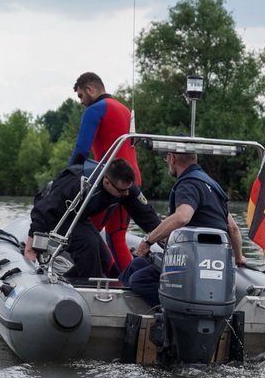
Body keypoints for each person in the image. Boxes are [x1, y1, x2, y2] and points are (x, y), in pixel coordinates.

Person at [122, 150, 247, 307]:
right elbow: (233, 228)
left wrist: (148, 241)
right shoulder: (212, 185)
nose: (167, 162)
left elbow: (182, 217)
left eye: (167, 158)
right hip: (212, 261)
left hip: (191, 264)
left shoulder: (187, 183)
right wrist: (239, 257)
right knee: (136, 265)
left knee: (138, 280)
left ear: (172, 158)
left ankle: (170, 312)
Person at [25, 157, 161, 280]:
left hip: (79, 216)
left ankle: (70, 280)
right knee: (88, 245)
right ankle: (91, 290)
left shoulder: (125, 187)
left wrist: (167, 238)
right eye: (122, 191)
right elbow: (43, 210)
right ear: (107, 182)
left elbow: (147, 216)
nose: (126, 194)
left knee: (105, 259)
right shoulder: (78, 182)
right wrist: (30, 249)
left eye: (128, 189)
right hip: (58, 214)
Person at [70, 72, 140, 272]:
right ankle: (128, 282)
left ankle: (98, 275)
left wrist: (67, 176)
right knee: (117, 236)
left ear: (90, 89)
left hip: (110, 181)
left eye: (81, 96)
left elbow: (81, 149)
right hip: (133, 179)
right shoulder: (125, 110)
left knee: (84, 228)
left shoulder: (95, 110)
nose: (82, 102)